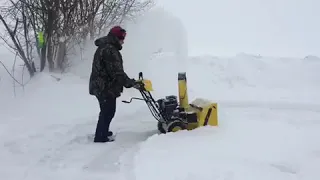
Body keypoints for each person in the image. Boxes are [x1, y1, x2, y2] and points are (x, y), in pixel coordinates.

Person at [89, 26, 136, 143]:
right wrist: (130, 83)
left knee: (107, 110)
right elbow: (116, 72)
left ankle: (103, 131)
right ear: (116, 38)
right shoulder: (109, 50)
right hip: (104, 86)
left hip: (103, 85)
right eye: (122, 38)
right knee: (108, 111)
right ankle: (100, 136)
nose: (123, 41)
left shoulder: (106, 47)